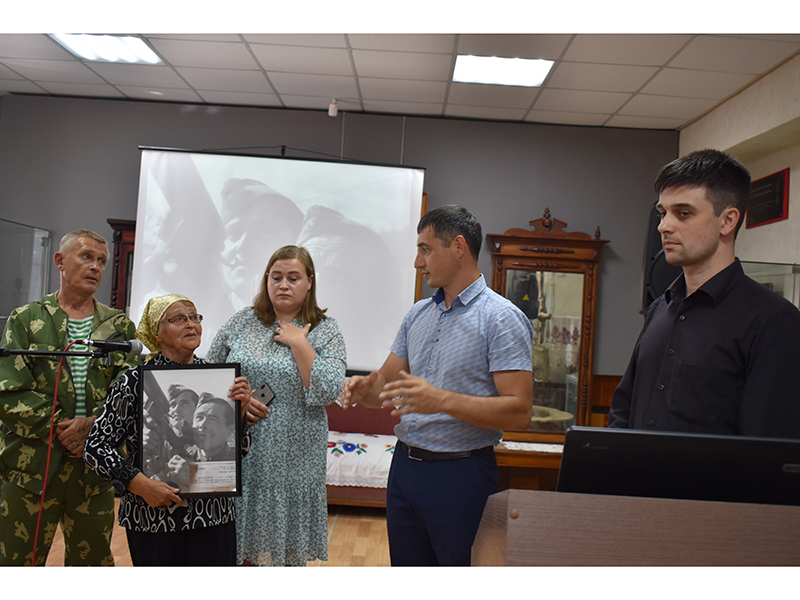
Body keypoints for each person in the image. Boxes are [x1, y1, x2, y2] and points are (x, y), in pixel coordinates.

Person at [343, 205, 534, 566]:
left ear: (458, 247)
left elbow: (519, 411)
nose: (418, 262)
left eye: (425, 249)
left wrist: (442, 400)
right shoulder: (417, 314)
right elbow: (383, 386)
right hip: (404, 469)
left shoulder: (501, 318)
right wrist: (362, 390)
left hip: (461, 476)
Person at [609, 149, 800, 437]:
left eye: (683, 213)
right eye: (663, 213)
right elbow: (623, 409)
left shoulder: (774, 321)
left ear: (727, 221)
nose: (664, 226)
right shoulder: (660, 308)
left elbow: (767, 446)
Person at [0, 229, 138, 566]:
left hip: (94, 469)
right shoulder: (26, 319)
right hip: (31, 467)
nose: (95, 266)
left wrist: (92, 427)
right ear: (60, 261)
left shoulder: (119, 326)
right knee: (16, 564)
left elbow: (130, 393)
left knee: (91, 567)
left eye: (102, 261)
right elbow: (8, 390)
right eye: (87, 257)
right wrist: (61, 428)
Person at [83, 294, 253, 566]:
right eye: (178, 319)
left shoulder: (221, 380)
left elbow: (240, 450)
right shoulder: (133, 382)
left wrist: (240, 416)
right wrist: (139, 484)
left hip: (213, 516)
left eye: (194, 317)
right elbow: (96, 448)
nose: (191, 324)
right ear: (156, 333)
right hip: (152, 517)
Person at [207, 245, 346, 566]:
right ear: (266, 279)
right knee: (238, 551)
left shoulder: (326, 329)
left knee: (286, 557)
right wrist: (238, 402)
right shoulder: (242, 321)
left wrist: (299, 343)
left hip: (295, 455)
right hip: (243, 452)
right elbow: (210, 375)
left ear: (310, 282)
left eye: (293, 278)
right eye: (276, 277)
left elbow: (329, 389)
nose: (283, 285)